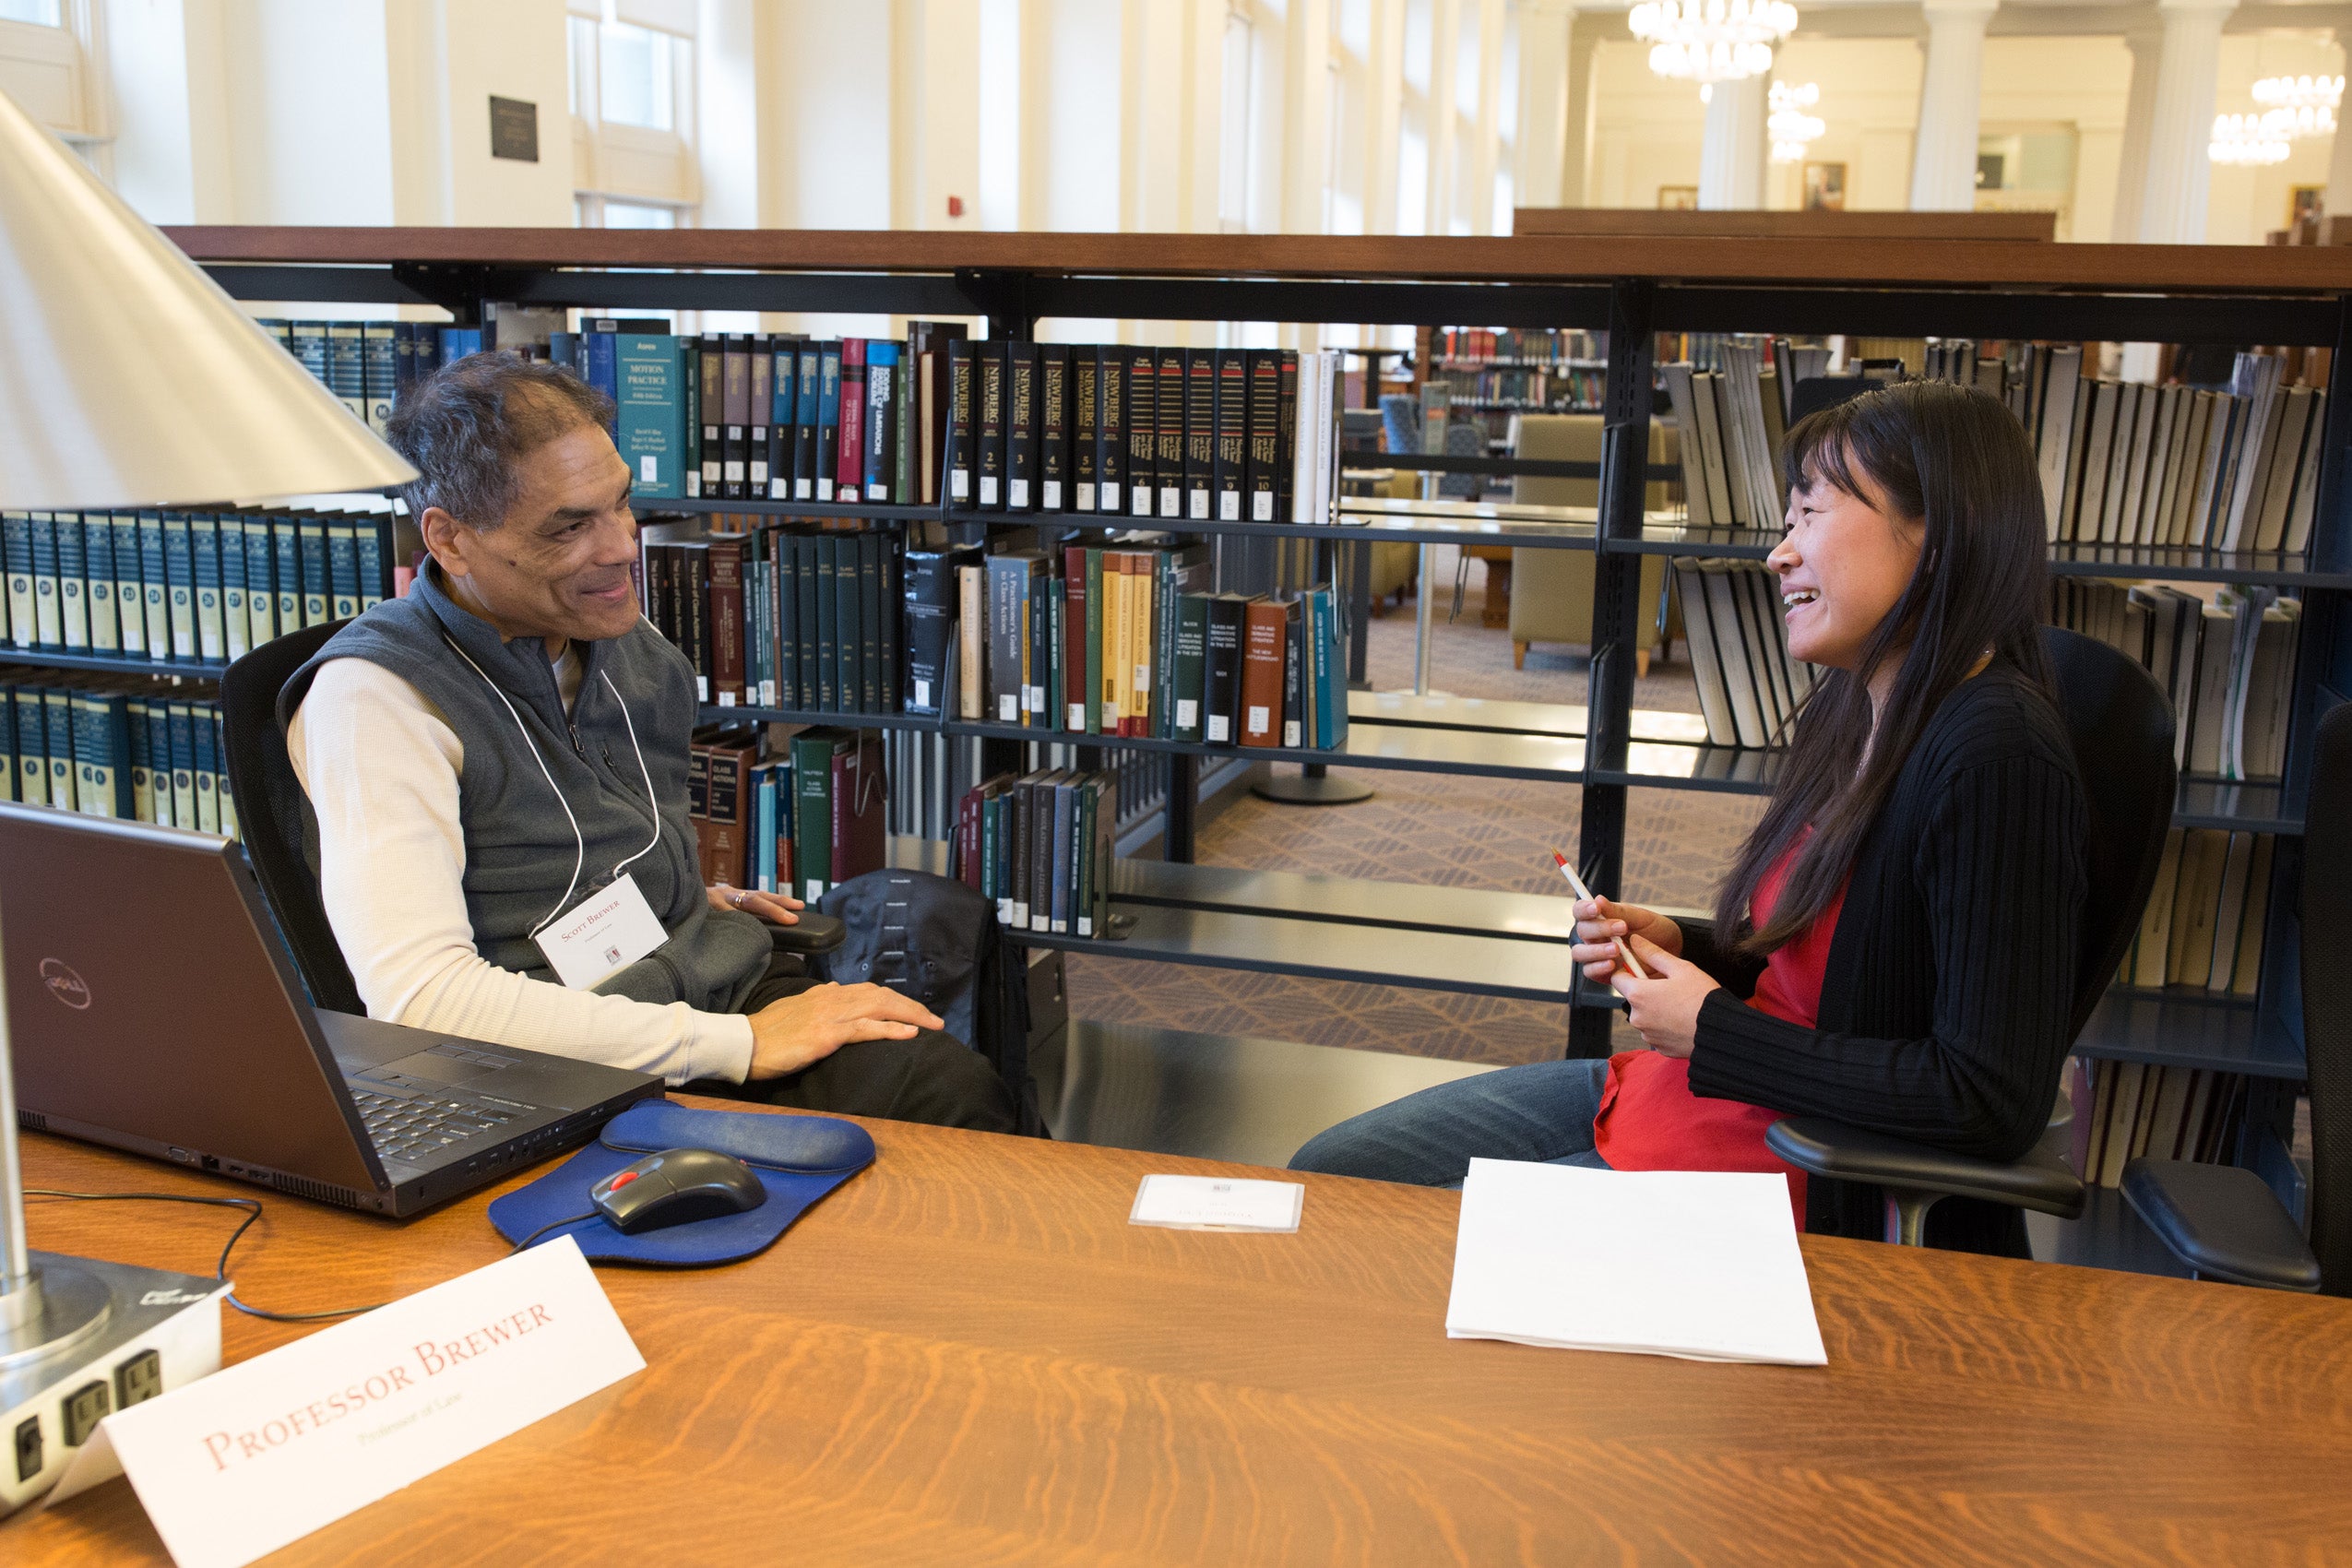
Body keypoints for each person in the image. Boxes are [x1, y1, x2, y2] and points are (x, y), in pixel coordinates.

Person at [1291, 380, 2086, 1253]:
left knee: (1383, 1244)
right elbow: (1833, 965)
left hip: (1773, 1171)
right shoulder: (1862, 709)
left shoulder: (1999, 753)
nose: (1780, 555)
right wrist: (1681, 944)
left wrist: (1713, 1030)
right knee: (1330, 1172)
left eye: (1809, 515)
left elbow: (1984, 1099)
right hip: (1687, 1094)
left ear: (1937, 534)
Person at [283, 352, 1016, 1132]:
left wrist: (678, 895)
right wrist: (736, 1044)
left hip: (689, 983)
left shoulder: (622, 646)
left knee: (944, 1072)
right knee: (936, 1103)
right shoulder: (377, 702)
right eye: (570, 526)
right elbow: (423, 999)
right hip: (560, 1070)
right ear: (450, 540)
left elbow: (558, 858)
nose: (621, 548)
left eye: (620, 504)